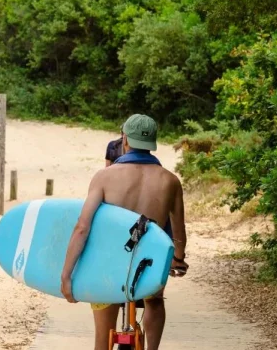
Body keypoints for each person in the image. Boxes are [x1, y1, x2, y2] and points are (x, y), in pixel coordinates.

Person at [61, 113, 188, 350]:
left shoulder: (104, 177)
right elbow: (178, 232)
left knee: (102, 332)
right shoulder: (170, 181)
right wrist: (178, 259)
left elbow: (82, 227)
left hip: (110, 264)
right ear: (152, 143)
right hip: (149, 264)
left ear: (125, 140)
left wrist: (66, 274)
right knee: (155, 300)